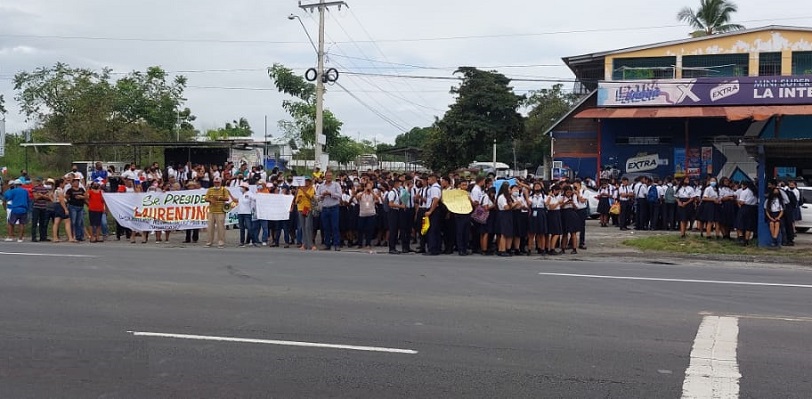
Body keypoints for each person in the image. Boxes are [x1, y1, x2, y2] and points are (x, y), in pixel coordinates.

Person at [204, 176, 236, 248]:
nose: (216, 184)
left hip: (220, 211)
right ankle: (209, 242)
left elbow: (227, 198)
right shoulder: (210, 189)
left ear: (220, 183)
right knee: (210, 227)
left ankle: (221, 242)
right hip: (211, 210)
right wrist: (211, 200)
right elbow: (206, 198)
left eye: (218, 182)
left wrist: (218, 198)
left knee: (220, 227)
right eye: (215, 182)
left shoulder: (224, 189)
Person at [317, 171, 343, 251]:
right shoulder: (321, 186)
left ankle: (336, 244)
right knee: (326, 227)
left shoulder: (336, 185)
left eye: (330, 176)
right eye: (327, 176)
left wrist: (331, 193)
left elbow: (339, 195)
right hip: (325, 208)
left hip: (334, 208)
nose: (329, 177)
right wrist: (323, 195)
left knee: (335, 227)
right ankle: (327, 244)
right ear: (325, 176)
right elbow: (317, 197)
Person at [295, 177, 317, 251]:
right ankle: (304, 244)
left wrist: (302, 190)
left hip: (308, 208)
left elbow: (310, 197)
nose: (306, 183)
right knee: (303, 227)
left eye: (308, 181)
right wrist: (298, 199)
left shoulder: (311, 189)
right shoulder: (299, 190)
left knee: (308, 226)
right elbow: (296, 201)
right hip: (300, 209)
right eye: (305, 181)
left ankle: (311, 244)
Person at [31, 177, 53, 242]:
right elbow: (35, 197)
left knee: (42, 223)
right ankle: (34, 237)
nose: (38, 182)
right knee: (34, 222)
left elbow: (49, 198)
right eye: (37, 181)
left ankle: (42, 237)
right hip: (36, 207)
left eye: (39, 181)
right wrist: (43, 196)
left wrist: (41, 195)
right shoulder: (35, 188)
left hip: (43, 207)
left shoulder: (45, 189)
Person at [65, 177, 87, 242]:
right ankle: (71, 235)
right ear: (72, 183)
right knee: (73, 221)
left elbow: (86, 196)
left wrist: (81, 197)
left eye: (77, 181)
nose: (76, 183)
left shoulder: (81, 189)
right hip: (73, 206)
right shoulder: (70, 190)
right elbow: (66, 197)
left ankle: (79, 236)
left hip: (80, 206)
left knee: (79, 222)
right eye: (75, 181)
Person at [235, 182, 256, 247]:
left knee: (249, 227)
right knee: (242, 228)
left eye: (241, 187)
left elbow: (255, 199)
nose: (240, 188)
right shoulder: (241, 195)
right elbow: (236, 200)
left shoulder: (249, 194)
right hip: (240, 213)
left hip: (247, 213)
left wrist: (253, 206)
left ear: (245, 188)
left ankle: (254, 241)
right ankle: (242, 241)